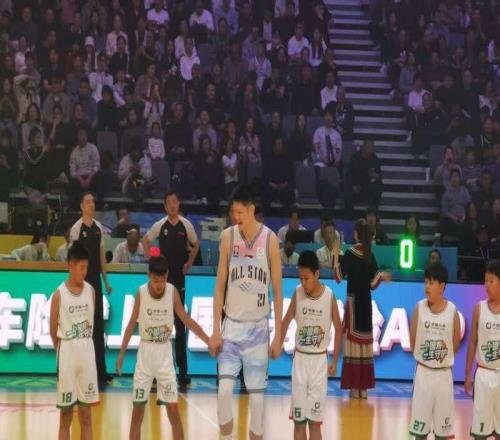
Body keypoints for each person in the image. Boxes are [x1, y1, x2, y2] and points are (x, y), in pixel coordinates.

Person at [208, 185, 283, 440]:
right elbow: (219, 286)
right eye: (233, 212)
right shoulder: (227, 237)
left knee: (258, 400)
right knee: (223, 393)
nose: (235, 217)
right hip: (231, 327)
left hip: (259, 329)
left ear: (251, 210)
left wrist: (278, 335)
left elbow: (278, 292)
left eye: (240, 212)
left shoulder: (270, 239)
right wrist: (215, 330)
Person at [115, 256, 209, 440]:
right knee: (137, 411)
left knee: (173, 410)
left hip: (164, 354)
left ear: (167, 276)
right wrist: (121, 355)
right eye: (156, 280)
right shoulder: (141, 293)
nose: (159, 284)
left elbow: (186, 320)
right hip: (145, 354)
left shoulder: (172, 292)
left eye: (162, 280)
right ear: (149, 276)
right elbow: (131, 325)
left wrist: (208, 340)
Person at [281, 250, 342, 440]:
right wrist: (276, 344)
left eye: (306, 278)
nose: (303, 283)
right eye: (300, 278)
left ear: (317, 274)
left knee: (315, 423)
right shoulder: (298, 293)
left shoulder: (329, 295)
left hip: (319, 362)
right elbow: (285, 321)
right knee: (299, 422)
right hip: (300, 360)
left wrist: (334, 360)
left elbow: (339, 328)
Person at [143, 191, 199, 386]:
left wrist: (189, 264)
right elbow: (145, 241)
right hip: (162, 283)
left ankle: (183, 373)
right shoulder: (160, 225)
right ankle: (156, 373)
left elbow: (196, 244)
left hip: (179, 281)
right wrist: (152, 263)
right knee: (159, 327)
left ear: (178, 204)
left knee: (180, 325)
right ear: (165, 206)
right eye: (169, 203)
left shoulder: (186, 225)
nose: (173, 205)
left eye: (175, 202)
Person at [333, 219, 391, 399]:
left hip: (353, 304)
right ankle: (363, 389)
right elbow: (373, 284)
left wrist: (336, 254)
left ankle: (354, 387)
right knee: (365, 343)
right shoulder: (369, 255)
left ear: (356, 233)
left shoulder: (350, 253)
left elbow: (337, 276)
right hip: (366, 304)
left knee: (353, 344)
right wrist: (382, 275)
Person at [49, 241, 99, 440]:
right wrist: (61, 351)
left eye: (86, 267)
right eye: (81, 267)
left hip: (86, 353)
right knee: (66, 415)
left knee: (86, 416)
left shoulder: (91, 291)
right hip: (67, 353)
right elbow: (53, 329)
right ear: (70, 265)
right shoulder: (59, 294)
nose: (84, 272)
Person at [409, 262, 460, 439]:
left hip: (444, 376)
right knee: (419, 432)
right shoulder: (419, 308)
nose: (427, 287)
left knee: (443, 434)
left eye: (431, 282)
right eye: (426, 282)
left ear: (442, 286)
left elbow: (455, 344)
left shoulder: (452, 311)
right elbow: (413, 341)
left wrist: (441, 358)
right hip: (423, 374)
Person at [70, 192, 112, 384]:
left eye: (93, 202)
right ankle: (80, 370)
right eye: (87, 202)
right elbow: (73, 258)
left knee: (97, 326)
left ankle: (101, 371)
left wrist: (106, 281)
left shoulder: (98, 228)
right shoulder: (76, 228)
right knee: (82, 326)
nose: (91, 205)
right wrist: (74, 283)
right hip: (81, 282)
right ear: (81, 206)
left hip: (95, 282)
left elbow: (102, 256)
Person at [465, 259, 500, 439]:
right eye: (485, 280)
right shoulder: (479, 308)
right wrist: (467, 375)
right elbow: (472, 343)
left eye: (491, 280)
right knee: (480, 432)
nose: (487, 285)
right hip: (483, 374)